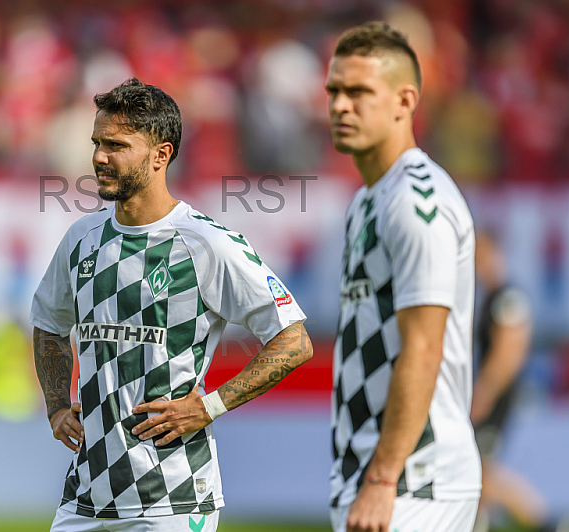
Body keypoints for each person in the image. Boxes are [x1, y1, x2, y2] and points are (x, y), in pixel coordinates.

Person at [30, 78, 312, 532]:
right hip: (86, 496)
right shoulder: (81, 238)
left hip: (173, 500)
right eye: (97, 143)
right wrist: (56, 404)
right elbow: (48, 323)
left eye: (117, 145)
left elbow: (294, 341)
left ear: (161, 155)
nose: (100, 157)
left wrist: (210, 406)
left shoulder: (208, 243)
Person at [324, 22, 481, 532]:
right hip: (373, 470)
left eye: (359, 92)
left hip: (415, 479)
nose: (341, 105)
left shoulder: (416, 203)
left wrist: (383, 479)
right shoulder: (367, 200)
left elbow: (423, 347)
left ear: (404, 100)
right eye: (334, 91)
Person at [472, 230, 554, 532]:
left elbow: (511, 349)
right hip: (495, 394)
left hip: (497, 397)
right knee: (477, 472)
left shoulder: (507, 297)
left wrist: (485, 391)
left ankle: (547, 522)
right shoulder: (494, 298)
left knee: (481, 471)